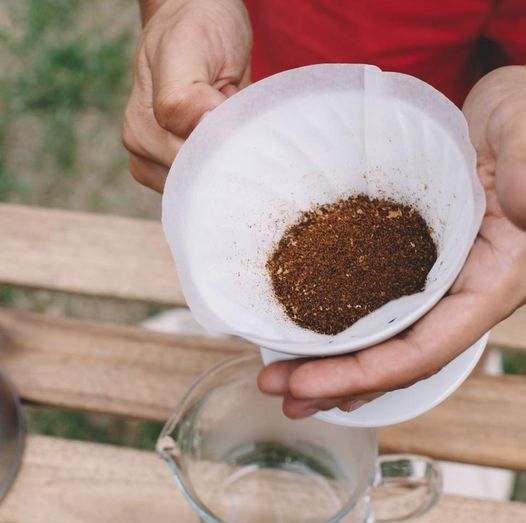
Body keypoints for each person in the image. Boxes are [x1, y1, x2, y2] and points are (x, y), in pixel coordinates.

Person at [123, 0, 526, 419]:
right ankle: (250, 340)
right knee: (257, 311)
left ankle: (472, 370)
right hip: (261, 113)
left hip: (455, 153)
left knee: (454, 325)